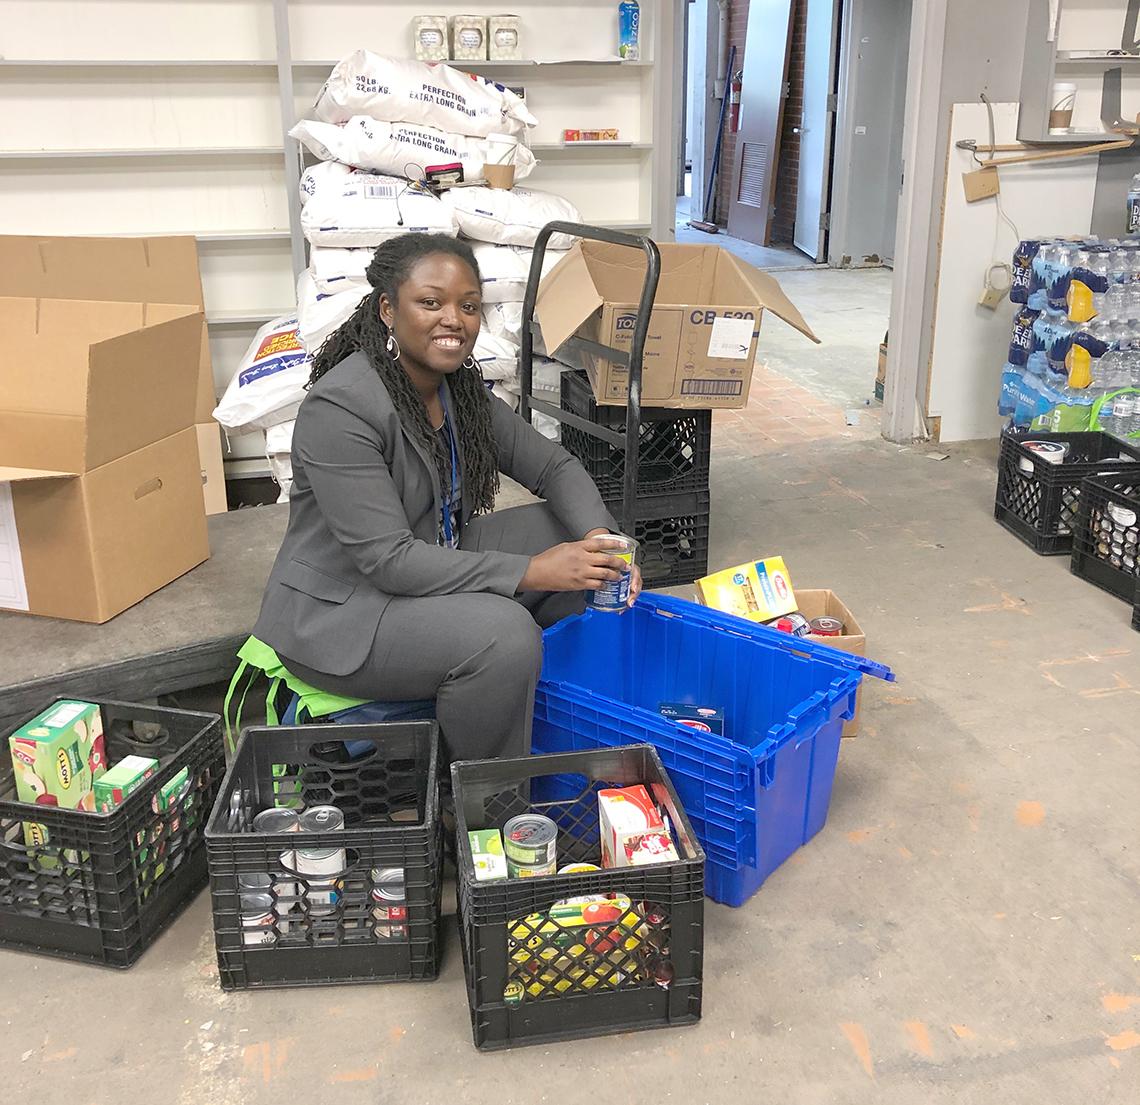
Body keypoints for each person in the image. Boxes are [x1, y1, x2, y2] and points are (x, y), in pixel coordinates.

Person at [252, 233, 640, 762]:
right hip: (345, 614)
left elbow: (553, 465)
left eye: (469, 306)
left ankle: (542, 716)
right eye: (430, 303)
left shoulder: (456, 389)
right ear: (388, 309)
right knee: (502, 636)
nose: (453, 319)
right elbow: (389, 561)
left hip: (429, 555)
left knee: (578, 543)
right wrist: (532, 572)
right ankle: (486, 810)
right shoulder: (342, 408)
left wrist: (601, 540)